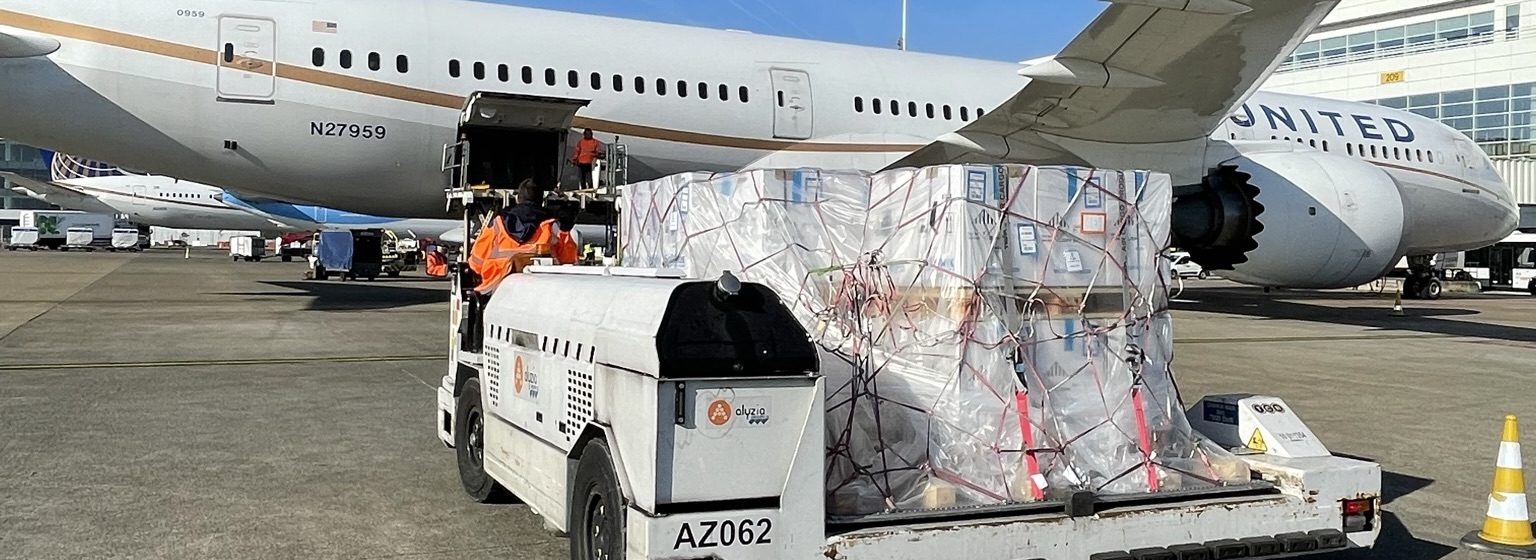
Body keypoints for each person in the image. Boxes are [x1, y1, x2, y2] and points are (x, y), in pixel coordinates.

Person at [467, 179, 579, 293]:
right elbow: (568, 262)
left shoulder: (497, 225)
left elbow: (475, 264)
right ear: (542, 201)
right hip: (542, 291)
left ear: (517, 199)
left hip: (495, 289)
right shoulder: (553, 227)